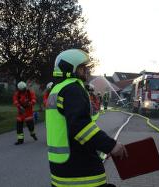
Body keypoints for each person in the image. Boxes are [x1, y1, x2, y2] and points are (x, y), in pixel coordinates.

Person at [46, 49, 127, 187]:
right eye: (82, 68)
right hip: (80, 171)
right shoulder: (73, 88)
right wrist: (110, 146)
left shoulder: (57, 88)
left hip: (60, 168)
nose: (86, 71)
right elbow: (81, 127)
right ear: (71, 68)